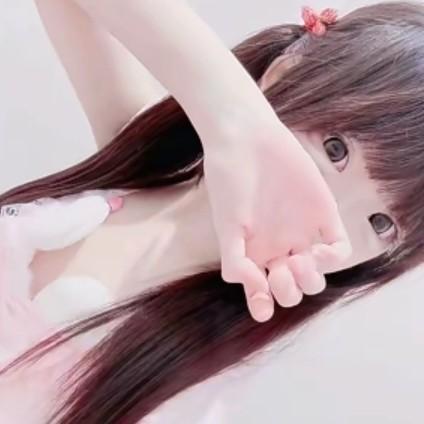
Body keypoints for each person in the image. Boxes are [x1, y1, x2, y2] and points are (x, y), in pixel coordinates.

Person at [1, 1, 424, 423]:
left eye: (381, 223)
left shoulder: (184, 396)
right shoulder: (144, 157)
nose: (332, 220)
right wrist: (232, 116)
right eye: (335, 150)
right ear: (282, 75)